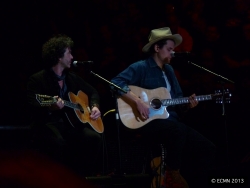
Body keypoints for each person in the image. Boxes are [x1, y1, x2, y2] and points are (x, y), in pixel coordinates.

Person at [110, 27, 216, 187]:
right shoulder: (141, 67)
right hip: (147, 122)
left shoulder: (169, 70)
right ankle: (172, 173)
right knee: (178, 130)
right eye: (169, 49)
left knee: (207, 148)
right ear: (157, 48)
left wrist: (188, 104)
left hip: (172, 123)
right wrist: (137, 101)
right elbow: (114, 83)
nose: (173, 53)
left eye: (173, 50)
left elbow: (178, 100)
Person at [27, 34, 102, 177]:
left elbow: (93, 92)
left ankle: (82, 178)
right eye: (69, 53)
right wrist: (50, 107)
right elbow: (33, 104)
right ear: (59, 56)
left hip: (70, 126)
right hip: (48, 125)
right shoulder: (37, 79)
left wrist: (94, 106)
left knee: (94, 138)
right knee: (59, 143)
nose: (72, 57)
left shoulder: (71, 78)